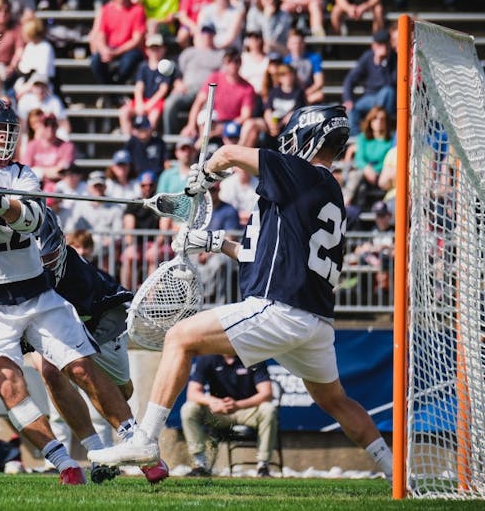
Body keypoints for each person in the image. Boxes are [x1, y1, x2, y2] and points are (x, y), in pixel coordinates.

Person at [88, 104, 395, 483]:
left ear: (307, 136)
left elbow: (228, 153)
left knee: (181, 337)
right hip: (314, 321)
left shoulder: (300, 173)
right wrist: (214, 241)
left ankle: (146, 440)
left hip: (280, 308)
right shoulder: (322, 191)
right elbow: (256, 254)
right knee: (336, 401)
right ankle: (395, 471)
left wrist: (202, 176)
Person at [0, 97, 141, 484]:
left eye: (6, 132)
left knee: (111, 383)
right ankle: (70, 461)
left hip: (68, 297)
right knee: (22, 377)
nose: (2, 139)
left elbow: (28, 218)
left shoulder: (23, 175)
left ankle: (134, 442)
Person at [33, 209, 169, 484]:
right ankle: (98, 453)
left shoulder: (75, 273)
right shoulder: (18, 272)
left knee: (123, 390)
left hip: (103, 319)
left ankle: (139, 445)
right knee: (50, 370)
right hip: (65, 324)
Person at [180, 354, 277, 477]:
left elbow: (267, 393)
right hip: (219, 413)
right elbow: (192, 393)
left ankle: (263, 466)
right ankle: (200, 465)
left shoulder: (253, 355)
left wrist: (238, 405)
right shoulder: (207, 358)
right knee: (189, 408)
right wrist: (214, 402)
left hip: (247, 411)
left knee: (268, 409)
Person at [180, 48, 255, 141]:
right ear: (224, 63)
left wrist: (225, 127)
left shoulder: (247, 88)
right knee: (201, 123)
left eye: (236, 61)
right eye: (229, 61)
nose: (233, 65)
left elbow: (245, 115)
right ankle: (198, 149)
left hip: (232, 124)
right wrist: (191, 125)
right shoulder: (214, 78)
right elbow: (198, 102)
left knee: (234, 131)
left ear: (240, 63)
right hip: (213, 121)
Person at [162, 23, 223, 136]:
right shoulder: (188, 53)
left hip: (208, 93)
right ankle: (171, 141)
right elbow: (177, 73)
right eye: (204, 33)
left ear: (214, 35)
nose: (206, 36)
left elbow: (223, 77)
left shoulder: (220, 55)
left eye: (209, 33)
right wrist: (178, 83)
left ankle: (201, 144)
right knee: (170, 103)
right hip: (187, 90)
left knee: (207, 114)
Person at [89, 0, 146, 87]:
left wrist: (116, 52)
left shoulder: (137, 10)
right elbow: (100, 34)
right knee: (96, 61)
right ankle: (111, 94)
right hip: (111, 48)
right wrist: (104, 49)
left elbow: (137, 39)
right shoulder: (106, 9)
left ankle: (113, 92)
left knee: (130, 60)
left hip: (128, 50)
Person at [342, 29, 396, 137]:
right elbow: (350, 79)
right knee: (353, 109)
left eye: (385, 43)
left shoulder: (395, 58)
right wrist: (348, 99)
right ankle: (356, 141)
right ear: (374, 45)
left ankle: (381, 134)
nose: (383, 47)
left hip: (388, 100)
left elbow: (392, 83)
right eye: (380, 44)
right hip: (369, 97)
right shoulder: (368, 57)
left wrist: (381, 64)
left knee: (388, 92)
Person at [118, 32, 171, 135]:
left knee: (153, 117)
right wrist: (139, 104)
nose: (155, 51)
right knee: (123, 112)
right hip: (142, 101)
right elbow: (139, 87)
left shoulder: (166, 67)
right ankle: (130, 140)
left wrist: (148, 105)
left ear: (163, 49)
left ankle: (145, 138)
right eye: (152, 48)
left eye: (157, 48)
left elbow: (163, 90)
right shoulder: (143, 67)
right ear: (147, 50)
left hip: (156, 102)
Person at [283, 28, 324, 104]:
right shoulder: (285, 61)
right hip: (292, 92)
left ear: (304, 43)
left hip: (307, 92)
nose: (297, 46)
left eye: (299, 43)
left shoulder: (314, 58)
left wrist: (303, 94)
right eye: (294, 43)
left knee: (319, 95)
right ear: (288, 44)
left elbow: (319, 83)